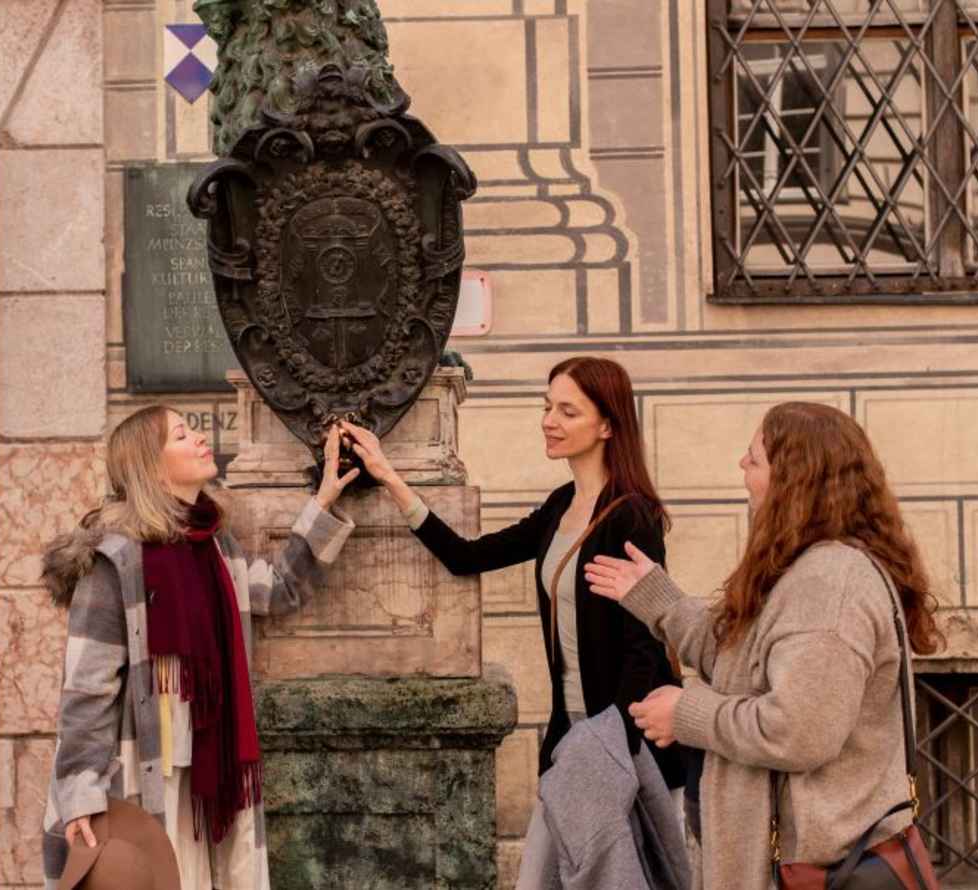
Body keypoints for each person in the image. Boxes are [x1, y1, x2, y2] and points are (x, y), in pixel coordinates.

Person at [341, 356, 703, 878]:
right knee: (538, 878)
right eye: (547, 406)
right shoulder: (561, 505)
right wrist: (388, 476)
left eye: (567, 411)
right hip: (573, 739)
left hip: (623, 748)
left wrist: (605, 748)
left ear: (606, 425)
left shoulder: (631, 515)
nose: (548, 420)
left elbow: (644, 649)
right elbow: (467, 556)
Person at [584, 401, 943, 890]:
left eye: (754, 458)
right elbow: (739, 662)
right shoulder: (805, 568)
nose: (741, 465)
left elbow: (799, 731)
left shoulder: (830, 584)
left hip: (816, 869)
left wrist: (687, 713)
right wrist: (658, 599)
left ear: (794, 480)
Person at [39, 406, 361, 890]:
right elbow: (87, 688)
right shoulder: (115, 558)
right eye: (181, 435)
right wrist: (79, 792)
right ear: (150, 464)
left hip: (211, 764)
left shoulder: (215, 544)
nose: (199, 439)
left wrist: (324, 501)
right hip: (145, 767)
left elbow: (275, 590)